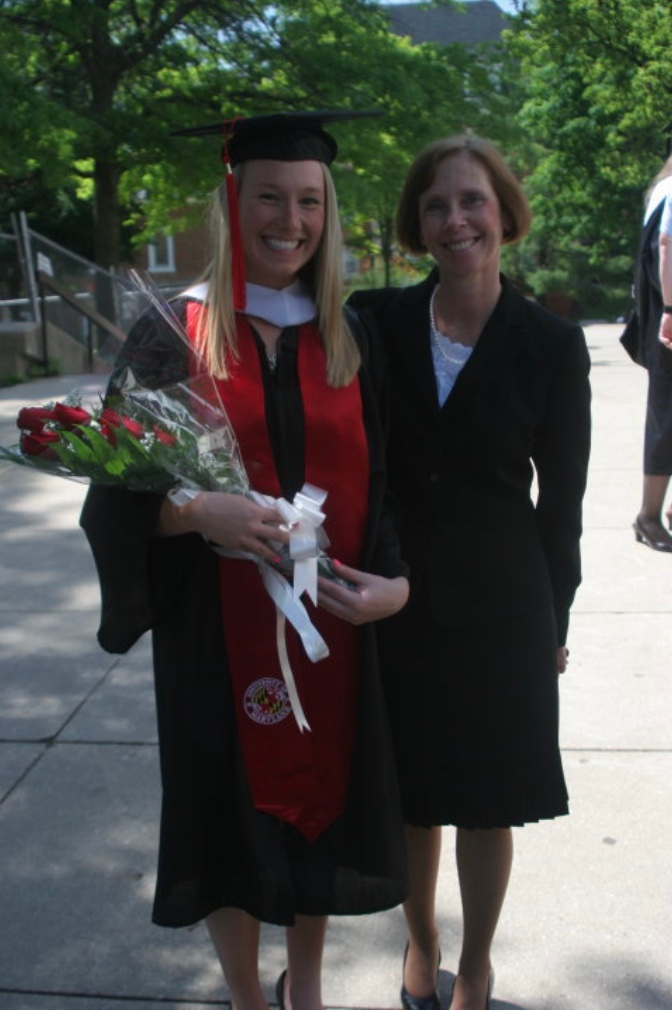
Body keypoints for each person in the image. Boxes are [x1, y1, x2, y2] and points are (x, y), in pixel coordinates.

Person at [80, 110, 410, 1010]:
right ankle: (246, 999)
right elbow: (114, 491)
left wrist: (397, 581)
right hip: (211, 639)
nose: (289, 220)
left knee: (322, 811)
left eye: (309, 202)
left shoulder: (349, 334)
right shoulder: (172, 331)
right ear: (233, 201)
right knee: (227, 820)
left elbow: (385, 486)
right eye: (269, 196)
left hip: (330, 626)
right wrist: (194, 510)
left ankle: (304, 990)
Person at [348, 133, 591, 1010]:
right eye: (437, 205)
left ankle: (477, 965)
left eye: (473, 201)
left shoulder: (553, 344)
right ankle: (420, 948)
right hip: (397, 595)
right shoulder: (374, 322)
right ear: (418, 223)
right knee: (414, 801)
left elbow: (561, 503)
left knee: (490, 802)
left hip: (503, 605)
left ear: (505, 214)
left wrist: (556, 623)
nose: (456, 220)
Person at [631, 154, 672, 551]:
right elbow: (664, 248)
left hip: (662, 315)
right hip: (669, 320)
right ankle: (648, 515)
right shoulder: (671, 189)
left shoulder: (662, 188)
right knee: (664, 420)